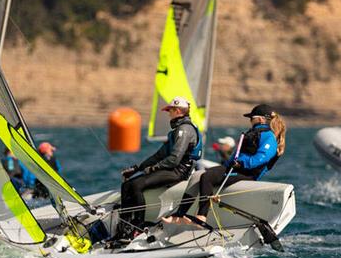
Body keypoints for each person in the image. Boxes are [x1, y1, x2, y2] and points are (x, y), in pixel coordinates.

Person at [165, 104, 286, 225]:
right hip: (236, 169)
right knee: (198, 175)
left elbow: (262, 157)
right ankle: (179, 215)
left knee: (207, 177)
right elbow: (236, 155)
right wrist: (228, 164)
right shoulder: (252, 132)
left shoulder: (268, 136)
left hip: (247, 174)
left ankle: (201, 216)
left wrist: (241, 163)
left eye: (251, 118)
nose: (249, 121)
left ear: (260, 119)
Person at [116, 96, 201, 239]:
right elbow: (158, 155)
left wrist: (153, 169)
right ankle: (125, 226)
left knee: (136, 185)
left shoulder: (185, 130)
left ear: (178, 111)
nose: (168, 113)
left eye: (170, 110)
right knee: (127, 185)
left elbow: (174, 159)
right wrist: (137, 169)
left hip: (178, 171)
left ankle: (138, 225)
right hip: (170, 169)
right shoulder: (176, 131)